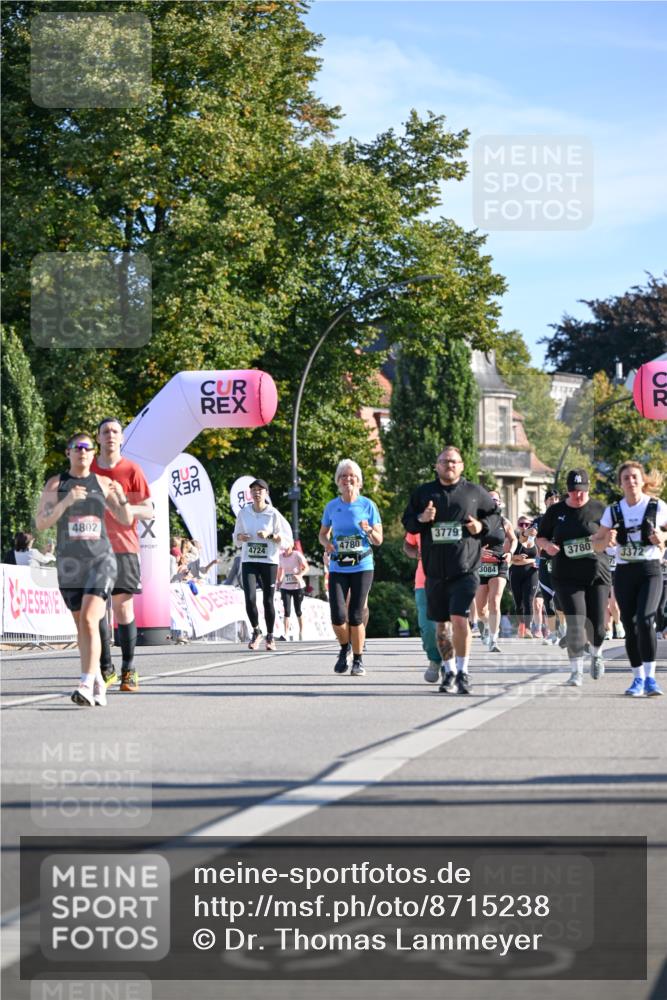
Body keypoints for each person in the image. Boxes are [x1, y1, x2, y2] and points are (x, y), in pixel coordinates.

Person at [35, 432, 132, 707]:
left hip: (101, 560)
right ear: (68, 453)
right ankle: (99, 681)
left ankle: (85, 683)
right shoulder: (56, 483)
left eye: (87, 448)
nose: (82, 452)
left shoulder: (103, 482)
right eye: (77, 448)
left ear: (92, 454)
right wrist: (66, 501)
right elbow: (41, 523)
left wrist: (122, 496)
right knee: (82, 625)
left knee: (90, 619)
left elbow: (125, 519)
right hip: (69, 564)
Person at [402, 445, 502, 695]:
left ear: (462, 466)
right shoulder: (424, 493)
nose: (449, 465)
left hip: (465, 569)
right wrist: (422, 520)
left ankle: (463, 671)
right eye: (445, 461)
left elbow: (495, 518)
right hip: (434, 572)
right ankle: (448, 671)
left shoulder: (474, 493)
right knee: (441, 627)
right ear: (436, 466)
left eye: (454, 461)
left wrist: (481, 526)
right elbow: (408, 521)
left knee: (459, 618)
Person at [593, 462, 667, 697]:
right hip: (625, 572)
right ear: (620, 483)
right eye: (626, 478)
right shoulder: (613, 511)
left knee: (645, 620)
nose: (631, 481)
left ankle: (651, 680)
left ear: (642, 479)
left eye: (635, 477)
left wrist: (662, 537)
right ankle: (637, 679)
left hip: (650, 569)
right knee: (629, 625)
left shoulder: (657, 506)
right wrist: (608, 541)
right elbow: (597, 543)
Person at [92, 417, 153, 693]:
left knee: (122, 609)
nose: (111, 436)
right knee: (95, 610)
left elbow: (149, 510)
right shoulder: (87, 469)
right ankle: (106, 667)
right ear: (98, 438)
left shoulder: (132, 470)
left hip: (124, 548)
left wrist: (127, 509)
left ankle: (128, 668)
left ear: (122, 438)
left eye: (116, 431)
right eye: (105, 431)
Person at [537, 469, 611, 687]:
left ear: (588, 488)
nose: (577, 496)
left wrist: (608, 538)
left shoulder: (600, 509)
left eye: (581, 491)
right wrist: (547, 546)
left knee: (597, 625)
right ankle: (576, 671)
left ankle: (597, 654)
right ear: (567, 490)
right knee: (575, 623)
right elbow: (541, 537)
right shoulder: (555, 511)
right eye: (573, 491)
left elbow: (611, 536)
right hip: (566, 575)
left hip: (597, 573)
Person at [319, 459, 382, 677]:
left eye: (352, 476)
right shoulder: (332, 506)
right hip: (338, 566)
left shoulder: (368, 506)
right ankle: (344, 647)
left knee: (355, 615)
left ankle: (357, 660)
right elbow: (322, 533)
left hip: (362, 566)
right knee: (337, 615)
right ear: (338, 481)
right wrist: (327, 544)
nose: (348, 479)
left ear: (359, 481)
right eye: (343, 476)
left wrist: (368, 531)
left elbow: (379, 539)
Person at [234, 478, 291, 651]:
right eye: (254, 490)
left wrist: (270, 535)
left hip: (269, 561)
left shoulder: (273, 513)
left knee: (268, 600)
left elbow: (285, 540)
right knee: (249, 598)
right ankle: (256, 630)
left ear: (266, 493)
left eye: (260, 490)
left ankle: (270, 636)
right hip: (249, 560)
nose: (257, 493)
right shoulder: (243, 513)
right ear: (250, 494)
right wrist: (241, 538)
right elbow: (235, 537)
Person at [474, 490, 516, 652]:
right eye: (490, 499)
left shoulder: (504, 522)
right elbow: (466, 542)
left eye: (496, 500)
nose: (493, 502)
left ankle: (493, 639)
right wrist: (478, 551)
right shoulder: (477, 522)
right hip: (480, 565)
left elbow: (513, 539)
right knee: (480, 609)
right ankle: (485, 623)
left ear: (500, 503)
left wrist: (510, 552)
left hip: (499, 564)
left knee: (495, 600)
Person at [403, 532, 445, 682]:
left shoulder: (454, 514)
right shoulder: (419, 520)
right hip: (424, 582)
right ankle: (435, 659)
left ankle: (448, 663)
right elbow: (408, 544)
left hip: (451, 579)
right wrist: (416, 553)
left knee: (447, 624)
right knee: (428, 627)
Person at [509, 517, 539, 638]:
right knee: (518, 602)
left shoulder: (536, 538)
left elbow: (541, 557)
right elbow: (508, 557)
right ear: (518, 525)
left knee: (529, 600)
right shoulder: (513, 538)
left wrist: (528, 560)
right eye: (522, 524)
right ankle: (521, 626)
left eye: (528, 524)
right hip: (515, 573)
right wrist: (517, 558)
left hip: (531, 573)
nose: (525, 526)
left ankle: (527, 628)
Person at [276, 543, 309, 641]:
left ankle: (301, 632)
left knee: (298, 610)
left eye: (286, 547)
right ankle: (286, 634)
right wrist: (279, 580)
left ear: (291, 546)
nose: (284, 549)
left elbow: (306, 568)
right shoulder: (280, 557)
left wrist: (300, 575)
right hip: (285, 586)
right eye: (283, 547)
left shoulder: (297, 554)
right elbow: (280, 570)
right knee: (286, 610)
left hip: (297, 586)